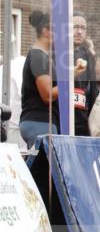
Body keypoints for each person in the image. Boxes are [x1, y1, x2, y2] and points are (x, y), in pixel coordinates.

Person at [19, 10, 59, 148]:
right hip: (40, 122)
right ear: (46, 31)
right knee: (42, 162)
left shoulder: (42, 56)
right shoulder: (39, 56)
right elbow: (47, 95)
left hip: (39, 122)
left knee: (38, 161)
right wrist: (68, 83)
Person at [72, 14, 97, 136]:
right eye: (75, 27)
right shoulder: (56, 53)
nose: (79, 32)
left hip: (82, 119)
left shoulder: (88, 55)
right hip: (61, 116)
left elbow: (93, 89)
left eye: (83, 28)